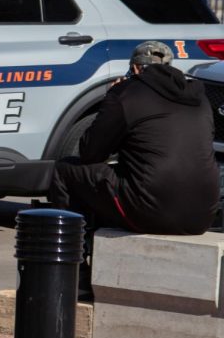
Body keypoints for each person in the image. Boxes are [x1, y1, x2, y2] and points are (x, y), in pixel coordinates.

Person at [49, 40, 220, 237]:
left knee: (65, 171)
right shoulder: (199, 97)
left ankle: (72, 255)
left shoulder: (126, 92)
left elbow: (90, 153)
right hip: (202, 215)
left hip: (151, 212)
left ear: (136, 68)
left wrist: (112, 99)